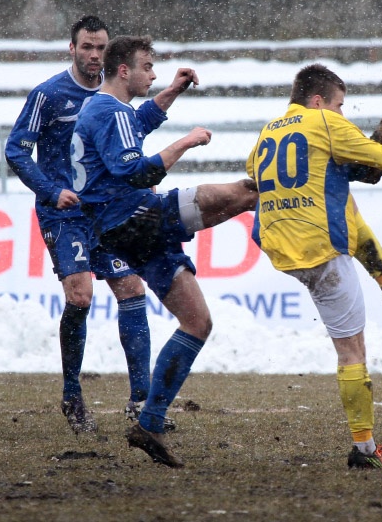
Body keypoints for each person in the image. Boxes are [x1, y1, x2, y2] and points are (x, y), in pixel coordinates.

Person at [245, 64, 382, 469]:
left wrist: (346, 168)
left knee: (340, 199)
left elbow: (254, 170)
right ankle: (364, 449)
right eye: (339, 105)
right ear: (318, 101)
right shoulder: (324, 121)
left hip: (278, 242)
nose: (341, 114)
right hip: (319, 251)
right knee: (352, 351)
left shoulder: (269, 129)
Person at [72, 35, 258, 467]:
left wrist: (171, 92)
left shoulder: (102, 109)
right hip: (137, 216)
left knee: (196, 322)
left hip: (126, 231)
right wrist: (187, 141)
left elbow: (137, 125)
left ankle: (149, 422)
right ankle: (302, 207)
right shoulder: (110, 110)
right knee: (248, 192)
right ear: (125, 71)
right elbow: (135, 171)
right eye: (148, 68)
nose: (153, 75)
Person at [5, 15, 170, 437]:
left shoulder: (115, 96)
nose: (93, 55)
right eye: (86, 47)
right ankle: (72, 393)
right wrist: (49, 190)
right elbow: (18, 151)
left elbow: (137, 127)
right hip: (64, 213)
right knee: (81, 295)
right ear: (72, 49)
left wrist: (172, 93)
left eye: (100, 48)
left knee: (131, 289)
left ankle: (140, 401)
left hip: (105, 212)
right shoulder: (48, 95)